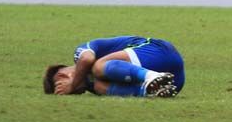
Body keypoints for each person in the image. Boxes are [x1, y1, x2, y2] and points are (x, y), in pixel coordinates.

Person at [43, 36, 185, 98]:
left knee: (97, 66)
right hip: (175, 82)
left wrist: (72, 86)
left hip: (158, 51)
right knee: (100, 87)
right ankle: (152, 90)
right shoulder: (94, 86)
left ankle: (151, 76)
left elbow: (87, 59)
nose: (76, 93)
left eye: (62, 86)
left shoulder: (80, 54)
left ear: (62, 74)